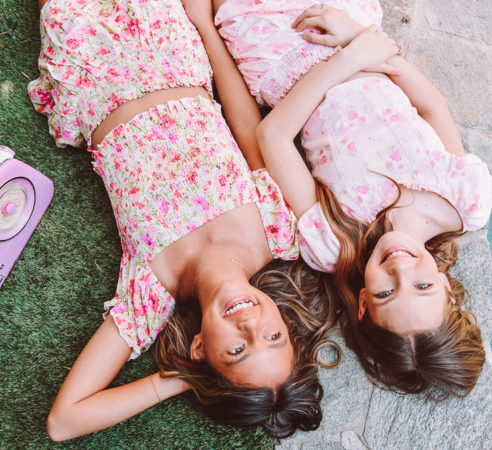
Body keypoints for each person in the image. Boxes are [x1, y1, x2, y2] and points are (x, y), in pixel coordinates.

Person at [28, 0, 340, 441]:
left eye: (235, 350)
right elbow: (245, 124)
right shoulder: (276, 232)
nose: (250, 326)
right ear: (284, 323)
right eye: (272, 337)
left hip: (90, 66)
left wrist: (183, 378)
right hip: (169, 48)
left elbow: (64, 422)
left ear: (200, 349)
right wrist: (205, 28)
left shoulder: (153, 293)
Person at [184, 0, 492, 397]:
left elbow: (273, 136)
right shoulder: (466, 201)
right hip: (349, 28)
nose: (400, 269)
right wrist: (362, 39)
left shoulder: (332, 242)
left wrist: (350, 59)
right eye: (422, 287)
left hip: (281, 53)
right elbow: (433, 106)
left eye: (386, 293)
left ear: (363, 304)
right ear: (446, 287)